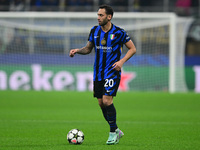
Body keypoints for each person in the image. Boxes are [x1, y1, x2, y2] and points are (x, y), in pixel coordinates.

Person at [69, 4, 136, 145]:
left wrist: (121, 62)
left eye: (101, 15)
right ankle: (116, 129)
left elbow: (132, 49)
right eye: (98, 15)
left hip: (112, 71)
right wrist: (77, 50)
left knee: (107, 101)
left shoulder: (119, 32)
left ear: (109, 17)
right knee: (101, 103)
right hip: (98, 73)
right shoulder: (94, 31)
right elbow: (88, 49)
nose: (98, 18)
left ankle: (112, 133)